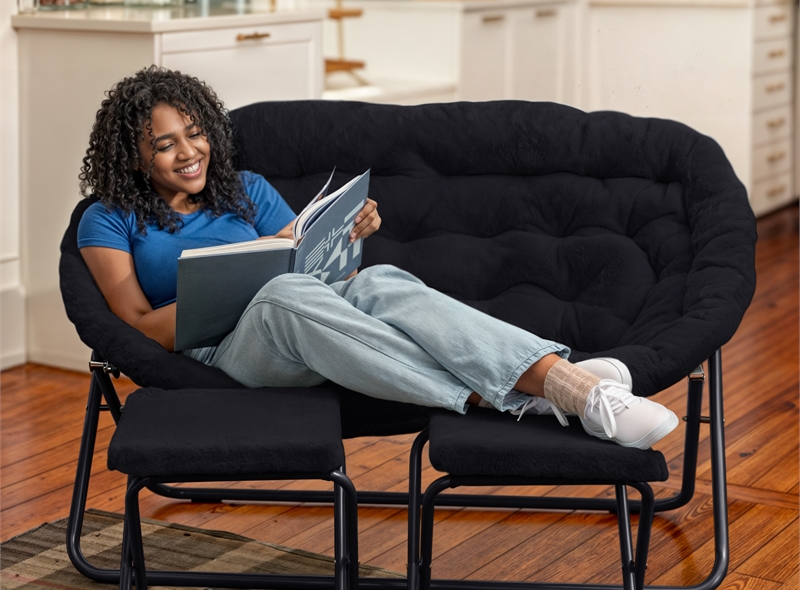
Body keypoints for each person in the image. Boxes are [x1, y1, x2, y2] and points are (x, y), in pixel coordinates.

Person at [78, 66, 679, 450]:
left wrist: (347, 237)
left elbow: (311, 271)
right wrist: (230, 287)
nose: (190, 152)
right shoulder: (106, 218)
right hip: (225, 347)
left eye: (195, 132)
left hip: (312, 324)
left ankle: (570, 388)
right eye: (165, 143)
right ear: (135, 157)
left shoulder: (246, 188)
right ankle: (556, 390)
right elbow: (132, 328)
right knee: (282, 297)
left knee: (380, 278)